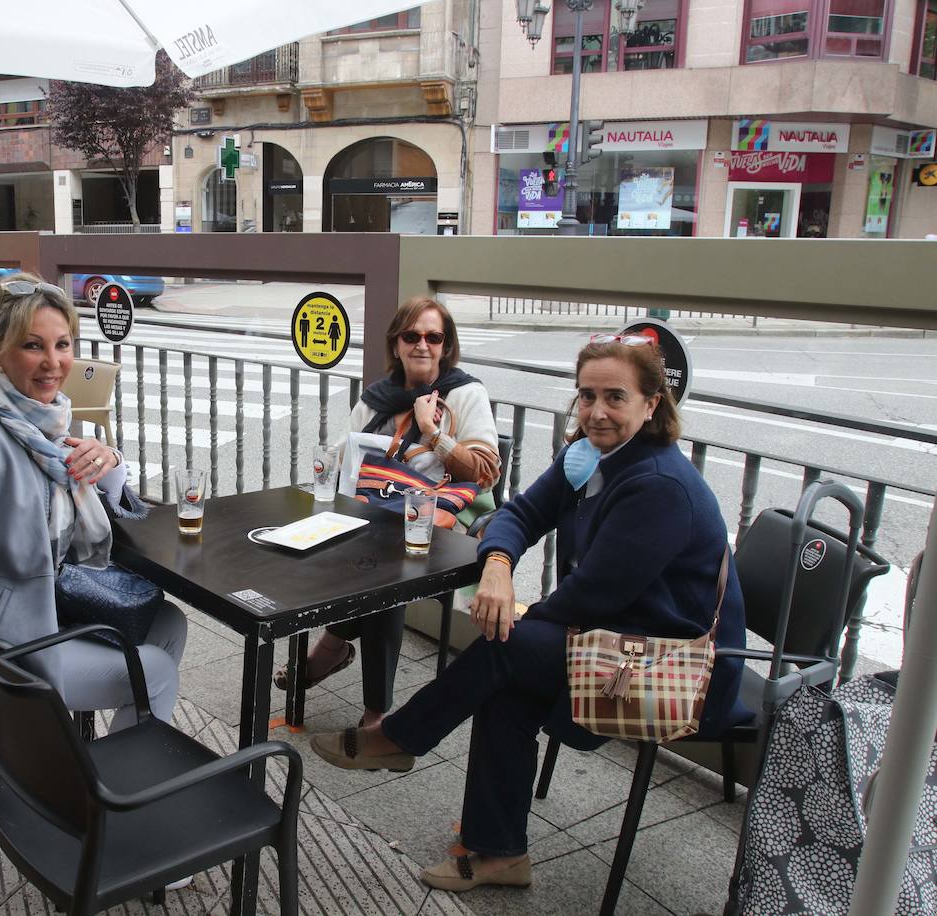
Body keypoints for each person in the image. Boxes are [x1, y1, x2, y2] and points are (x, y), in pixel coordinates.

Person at [309, 333, 747, 893]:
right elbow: (520, 513)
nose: (596, 412)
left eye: (615, 397)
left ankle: (399, 738)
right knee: (506, 674)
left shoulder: (658, 485)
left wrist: (516, 610)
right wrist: (496, 564)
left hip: (676, 667)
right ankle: (498, 852)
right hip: (614, 642)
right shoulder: (590, 456)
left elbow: (593, 595)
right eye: (586, 397)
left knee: (505, 646)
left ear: (652, 404)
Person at [0, 272, 187, 769]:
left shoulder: (40, 426)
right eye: (32, 346)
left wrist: (107, 464)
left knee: (168, 622)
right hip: (6, 647)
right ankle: (104, 791)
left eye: (63, 344)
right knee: (158, 671)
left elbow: (78, 513)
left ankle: (100, 767)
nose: (54, 362)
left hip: (47, 609)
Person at [277, 296, 501, 727]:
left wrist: (434, 432)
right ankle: (336, 653)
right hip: (376, 517)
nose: (422, 345)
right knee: (322, 547)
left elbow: (484, 474)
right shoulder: (378, 398)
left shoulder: (466, 393)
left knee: (382, 573)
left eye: (433, 336)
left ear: (445, 345)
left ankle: (369, 704)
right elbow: (342, 458)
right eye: (411, 336)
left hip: (440, 525)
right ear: (396, 344)